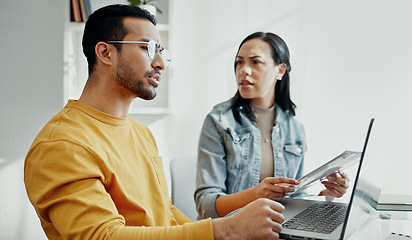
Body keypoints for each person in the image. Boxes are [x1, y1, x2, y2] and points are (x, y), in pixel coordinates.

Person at [24, 5, 286, 240]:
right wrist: (228, 229)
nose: (160, 63)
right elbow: (103, 236)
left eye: (162, 52)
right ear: (105, 52)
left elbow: (165, 211)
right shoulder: (62, 145)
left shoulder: (141, 133)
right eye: (148, 48)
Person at [195, 32, 350, 219]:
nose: (244, 70)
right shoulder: (219, 121)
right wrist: (256, 194)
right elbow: (206, 205)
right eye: (239, 62)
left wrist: (326, 197)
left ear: (280, 70)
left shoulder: (295, 129)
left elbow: (296, 197)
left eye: (255, 62)